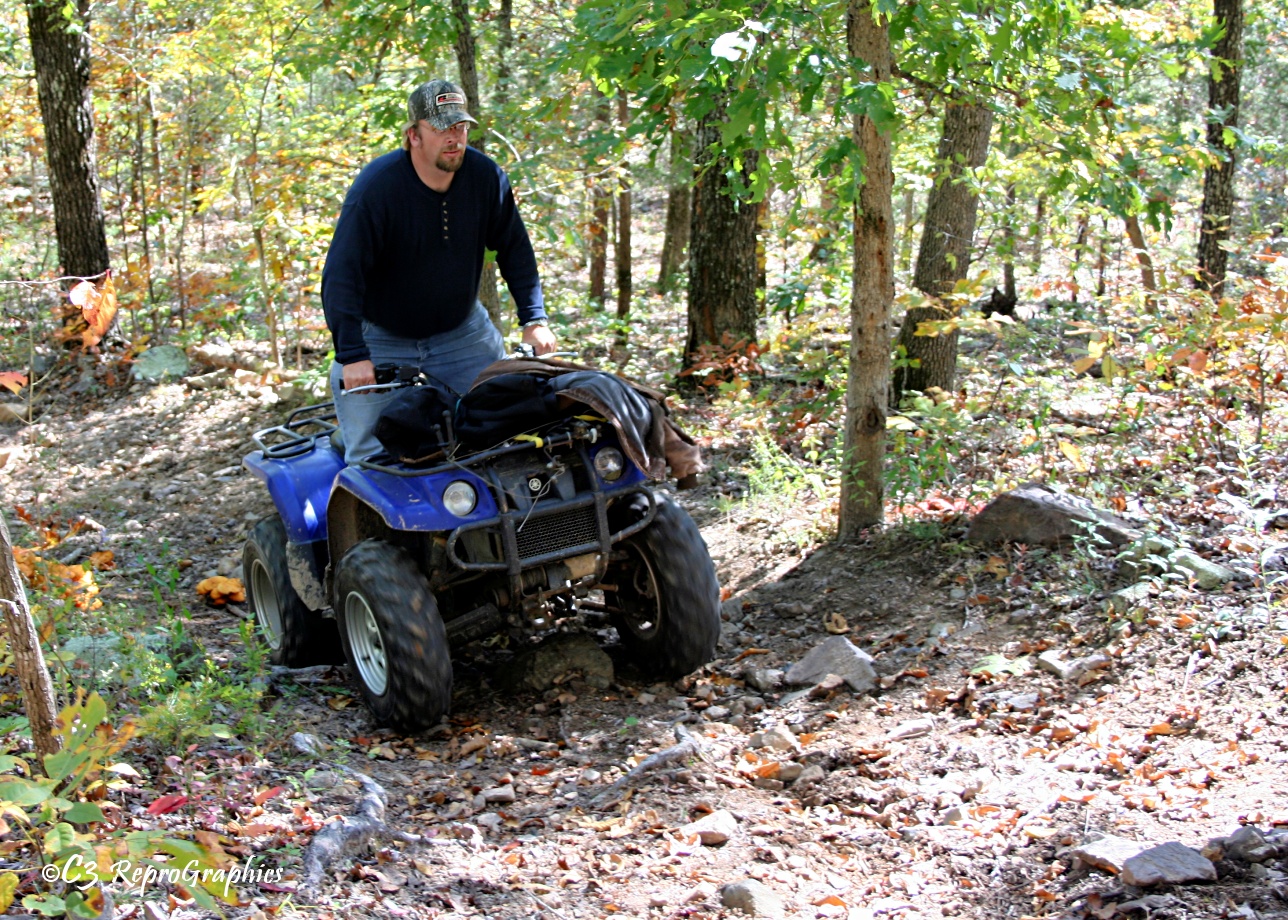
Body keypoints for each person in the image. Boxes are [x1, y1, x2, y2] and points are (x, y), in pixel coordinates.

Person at [321, 79, 557, 462]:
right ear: (413, 135)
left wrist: (534, 319)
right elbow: (341, 276)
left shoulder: (485, 178)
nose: (454, 138)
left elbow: (515, 248)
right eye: (442, 128)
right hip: (382, 338)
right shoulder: (378, 189)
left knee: (505, 433)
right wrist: (352, 354)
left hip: (462, 333)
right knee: (375, 460)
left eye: (461, 127)